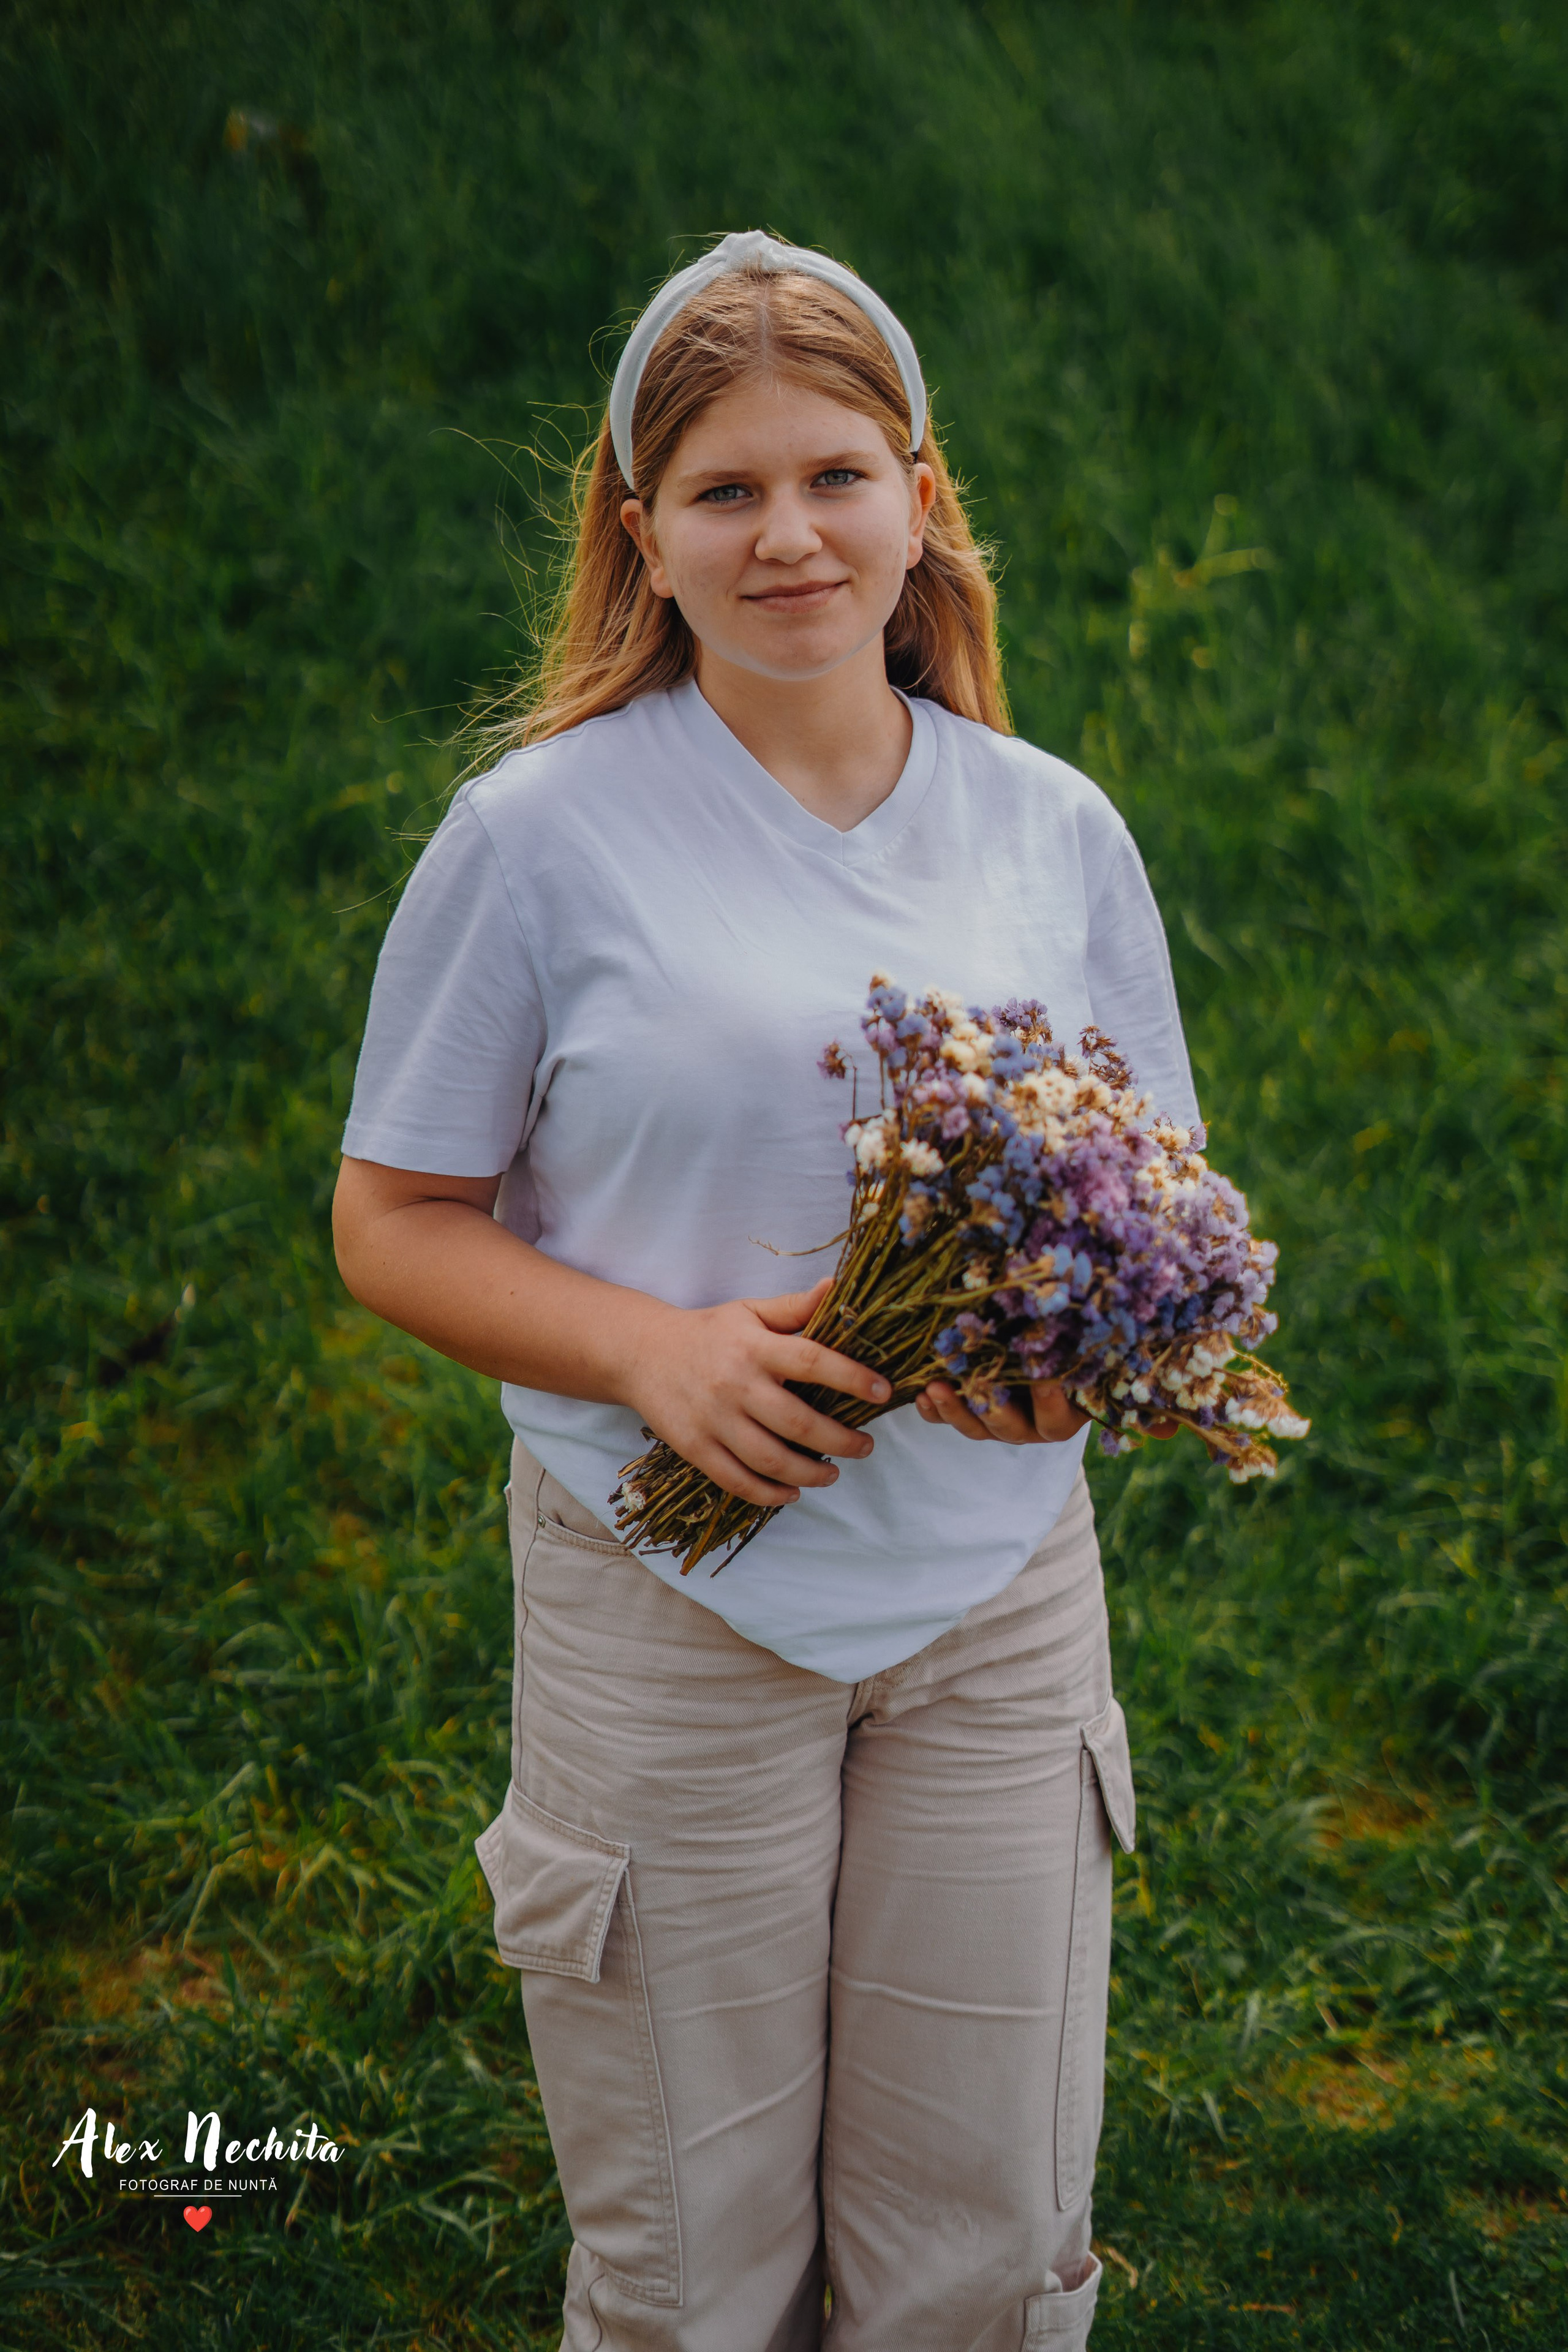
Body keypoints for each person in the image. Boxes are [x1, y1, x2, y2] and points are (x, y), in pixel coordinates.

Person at [333, 230, 1200, 2352]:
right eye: (725, 491)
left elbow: (1154, 1199)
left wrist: (1068, 1369)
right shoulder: (539, 839)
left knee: (983, 2255)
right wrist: (654, 1355)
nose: (789, 535)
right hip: (669, 1602)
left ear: (922, 499)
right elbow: (392, 1214)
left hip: (994, 1609)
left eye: (835, 477)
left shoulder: (1051, 829)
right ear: (644, 535)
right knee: (690, 2272)